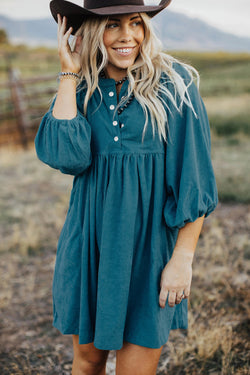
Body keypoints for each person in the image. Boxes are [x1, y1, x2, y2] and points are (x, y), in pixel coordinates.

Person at [35, 0, 218, 374]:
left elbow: (193, 182)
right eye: (111, 25)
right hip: (89, 245)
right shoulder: (82, 90)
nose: (126, 36)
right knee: (87, 362)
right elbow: (68, 158)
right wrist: (69, 74)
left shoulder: (175, 86)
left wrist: (182, 259)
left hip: (149, 252)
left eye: (136, 23)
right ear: (88, 32)